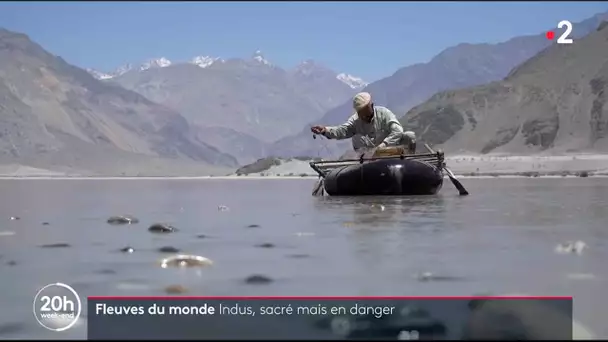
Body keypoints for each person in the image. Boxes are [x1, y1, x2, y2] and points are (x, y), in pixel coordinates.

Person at [310, 92, 416, 154]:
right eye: (361, 112)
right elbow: (342, 131)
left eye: (366, 110)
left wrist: (384, 144)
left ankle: (408, 163)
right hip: (370, 154)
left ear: (372, 106)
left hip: (390, 148)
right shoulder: (354, 120)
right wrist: (325, 130)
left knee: (409, 136)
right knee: (356, 138)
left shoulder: (384, 113)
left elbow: (398, 130)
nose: (364, 115)